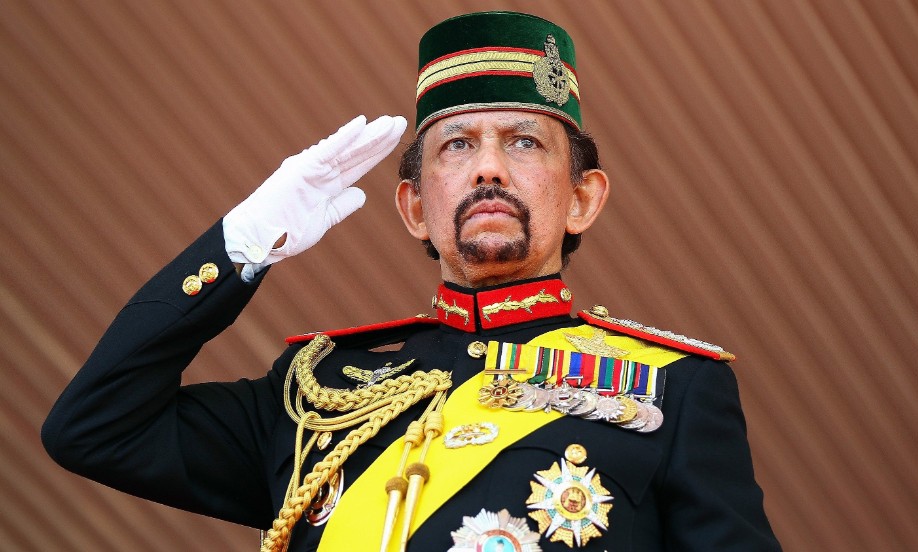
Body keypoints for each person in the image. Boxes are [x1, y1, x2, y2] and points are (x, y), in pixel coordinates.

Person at [42, 11, 781, 552]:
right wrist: (241, 245)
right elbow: (95, 428)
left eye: (524, 141)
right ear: (415, 207)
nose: (489, 167)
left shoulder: (668, 388)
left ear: (584, 196)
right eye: (458, 145)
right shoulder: (316, 393)